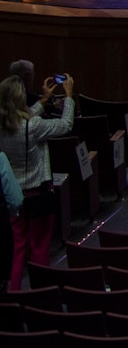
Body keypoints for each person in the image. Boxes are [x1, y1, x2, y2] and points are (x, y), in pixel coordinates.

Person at [0, 72, 75, 289]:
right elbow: (66, 125)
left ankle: (13, 295)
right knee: (40, 248)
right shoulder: (34, 127)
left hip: (13, 198)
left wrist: (42, 101)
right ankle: (41, 297)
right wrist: (68, 96)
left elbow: (22, 118)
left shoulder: (4, 125)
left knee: (17, 249)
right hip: (38, 195)